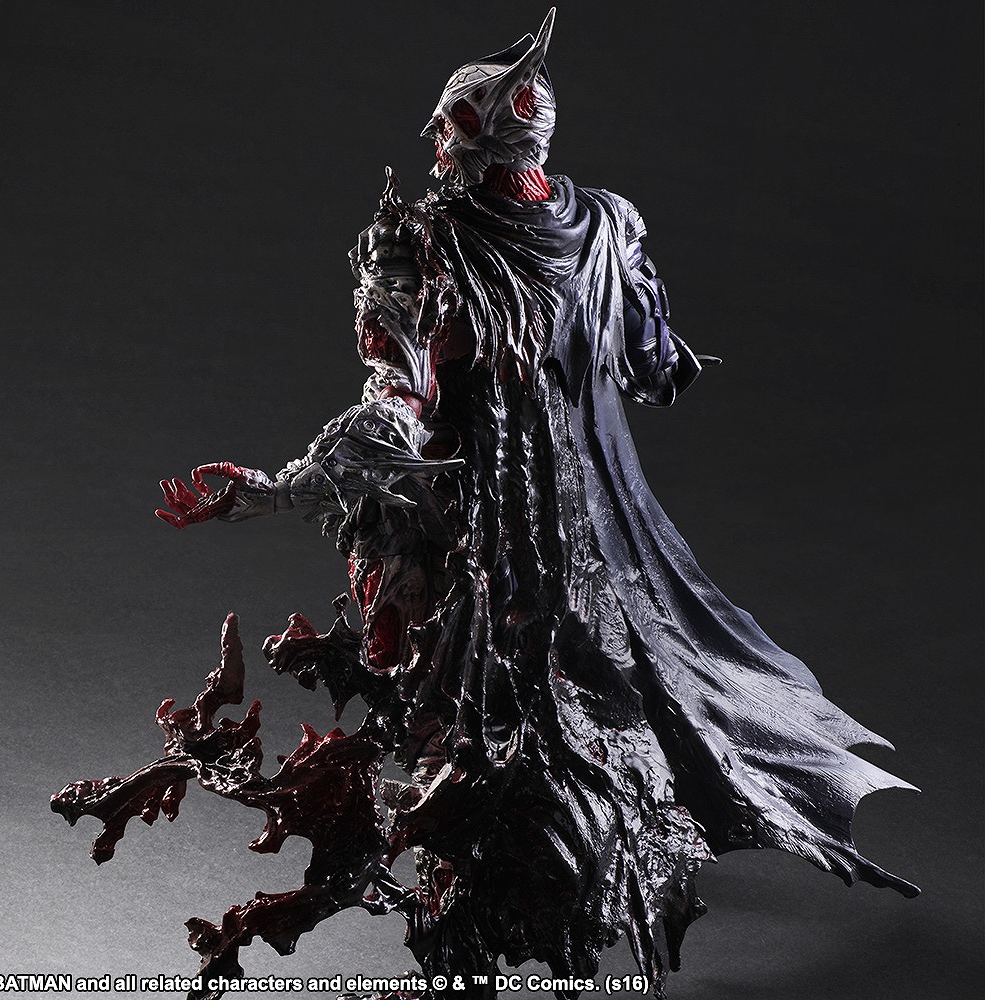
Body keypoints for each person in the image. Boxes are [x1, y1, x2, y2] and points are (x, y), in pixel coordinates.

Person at [68, 10, 916, 999]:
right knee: (551, 693)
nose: (434, 139)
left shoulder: (435, 240)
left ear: (488, 132)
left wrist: (276, 490)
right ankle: (533, 868)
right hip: (577, 522)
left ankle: (518, 889)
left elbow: (401, 402)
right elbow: (651, 369)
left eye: (451, 123)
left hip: (499, 524)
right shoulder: (607, 224)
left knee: (506, 700)